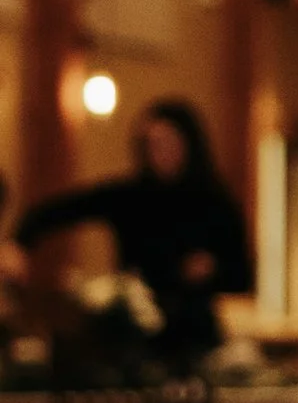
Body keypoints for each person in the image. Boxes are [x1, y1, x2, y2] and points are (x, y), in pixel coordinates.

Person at [19, 98, 251, 361]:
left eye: (166, 142)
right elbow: (61, 209)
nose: (157, 152)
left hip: (193, 337)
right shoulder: (131, 196)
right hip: (134, 337)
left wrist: (212, 268)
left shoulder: (214, 202)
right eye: (150, 144)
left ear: (188, 144)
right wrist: (20, 242)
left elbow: (243, 274)